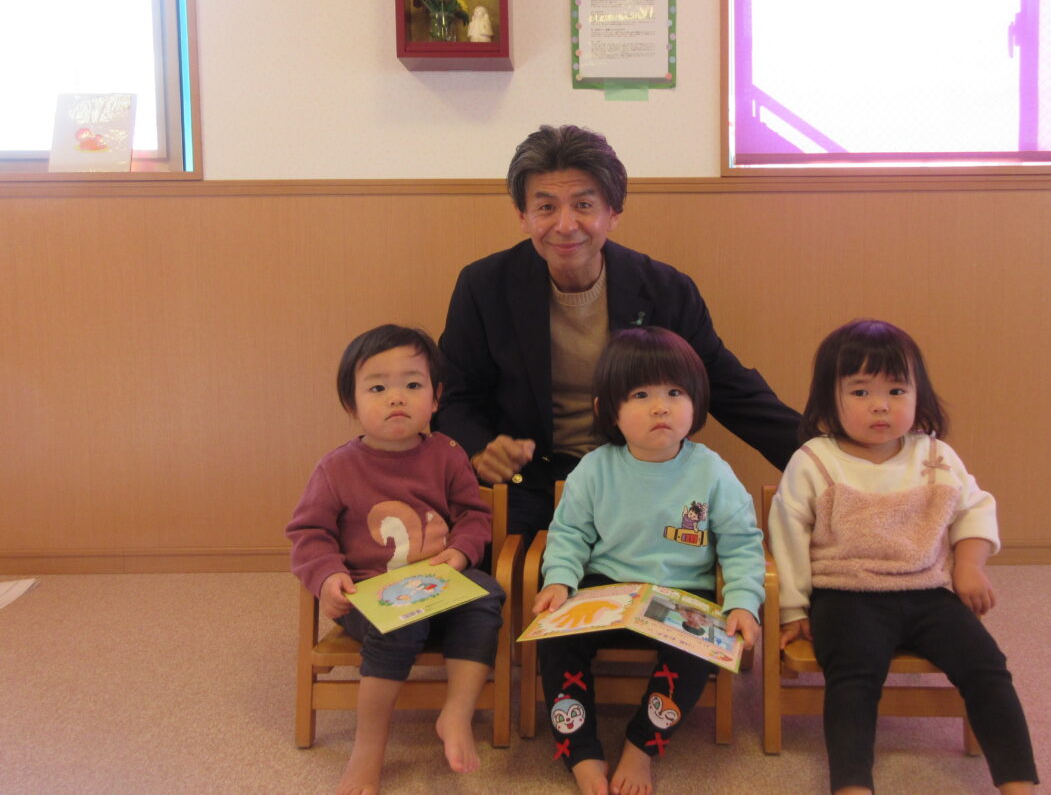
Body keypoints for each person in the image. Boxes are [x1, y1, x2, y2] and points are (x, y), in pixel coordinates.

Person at [436, 123, 803, 539]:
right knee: (504, 567)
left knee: (676, 564)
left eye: (583, 205)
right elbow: (456, 397)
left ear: (613, 213)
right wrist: (481, 450)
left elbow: (728, 387)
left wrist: (823, 456)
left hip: (641, 473)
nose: (565, 225)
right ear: (523, 216)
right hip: (531, 484)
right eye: (546, 207)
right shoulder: (485, 286)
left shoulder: (665, 289)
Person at [767, 319, 1038, 795]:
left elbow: (973, 509)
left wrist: (969, 565)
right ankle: (852, 785)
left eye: (896, 390)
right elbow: (787, 534)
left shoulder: (935, 455)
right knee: (853, 679)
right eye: (860, 392)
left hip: (927, 592)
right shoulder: (814, 460)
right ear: (829, 399)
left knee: (987, 666)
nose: (881, 405)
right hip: (846, 594)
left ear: (918, 395)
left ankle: (1019, 784)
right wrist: (792, 608)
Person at [531, 326, 764, 795]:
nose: (661, 407)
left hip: (683, 594)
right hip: (605, 587)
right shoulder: (594, 468)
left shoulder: (712, 471)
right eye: (641, 394)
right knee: (556, 642)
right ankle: (579, 750)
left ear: (696, 401)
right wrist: (559, 579)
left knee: (695, 653)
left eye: (675, 392)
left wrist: (742, 600)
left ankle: (642, 747)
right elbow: (570, 534)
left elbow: (741, 543)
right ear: (608, 410)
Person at [286, 324, 505, 794]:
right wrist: (328, 577)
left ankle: (456, 713)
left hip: (439, 588)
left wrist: (460, 552)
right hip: (372, 599)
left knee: (488, 594)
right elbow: (309, 534)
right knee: (400, 624)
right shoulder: (337, 468)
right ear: (351, 404)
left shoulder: (447, 454)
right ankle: (368, 748)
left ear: (436, 397)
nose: (397, 398)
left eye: (412, 384)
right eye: (378, 388)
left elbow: (474, 515)